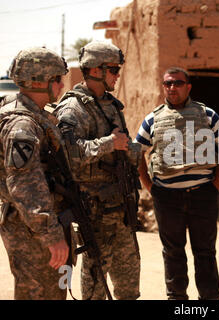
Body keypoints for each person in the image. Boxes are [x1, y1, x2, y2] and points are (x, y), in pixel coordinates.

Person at [53, 41, 141, 300]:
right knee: (96, 287)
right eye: (113, 69)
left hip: (122, 209)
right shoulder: (73, 109)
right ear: (95, 70)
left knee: (129, 287)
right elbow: (68, 155)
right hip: (95, 213)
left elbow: (121, 150)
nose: (117, 75)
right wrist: (109, 143)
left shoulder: (111, 105)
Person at [135, 67, 219, 300]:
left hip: (202, 195)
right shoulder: (152, 119)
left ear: (188, 87)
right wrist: (151, 187)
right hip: (167, 198)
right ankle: (177, 300)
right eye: (167, 83)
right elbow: (137, 153)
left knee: (205, 253)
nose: (172, 87)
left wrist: (216, 183)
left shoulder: (207, 114)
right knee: (173, 253)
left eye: (177, 83)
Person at [0, 47, 70, 299]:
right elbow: (24, 184)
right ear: (39, 81)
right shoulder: (22, 125)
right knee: (40, 294)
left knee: (52, 292)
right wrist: (51, 234)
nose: (61, 85)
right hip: (31, 230)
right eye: (57, 79)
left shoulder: (34, 117)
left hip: (35, 225)